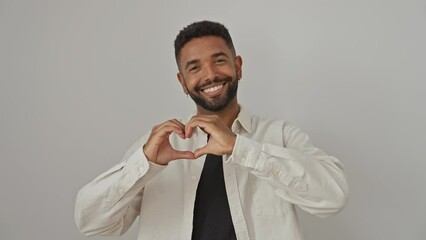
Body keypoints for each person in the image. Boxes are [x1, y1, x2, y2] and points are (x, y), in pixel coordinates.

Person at [74, 20, 349, 240]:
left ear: (237, 66)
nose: (210, 75)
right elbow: (91, 223)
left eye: (219, 60)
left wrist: (241, 148)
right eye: (195, 67)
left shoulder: (280, 135)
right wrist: (145, 164)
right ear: (183, 82)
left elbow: (333, 197)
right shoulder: (158, 148)